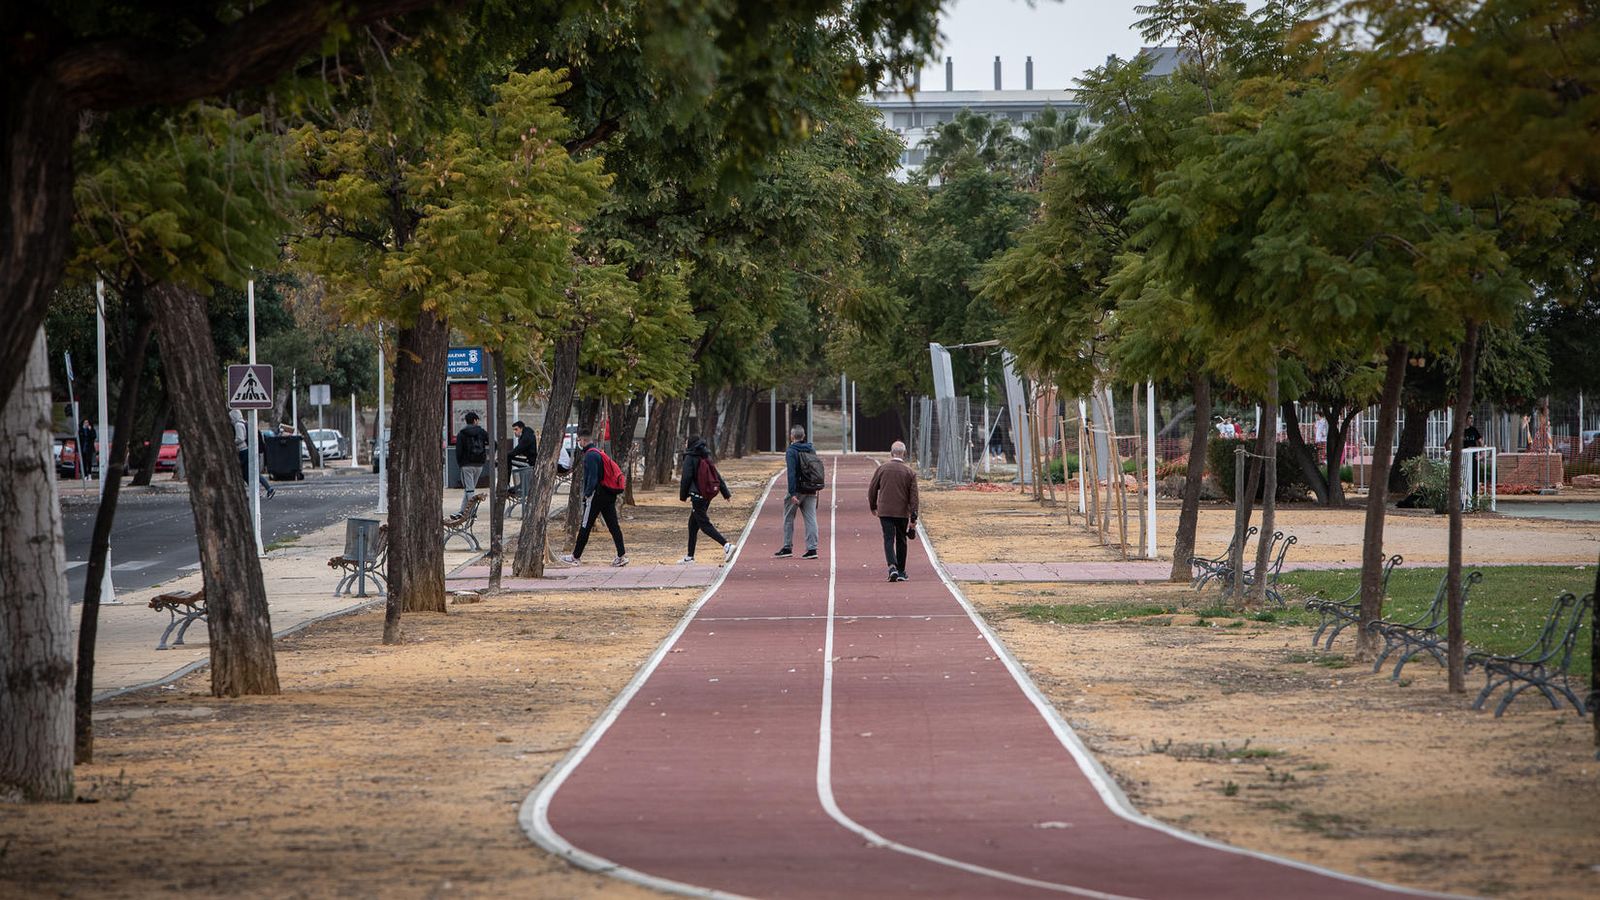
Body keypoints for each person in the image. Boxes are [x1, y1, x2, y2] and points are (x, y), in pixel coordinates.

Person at [559, 428, 627, 567]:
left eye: (579, 440)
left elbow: (593, 478)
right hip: (608, 494)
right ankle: (622, 555)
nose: (578, 442)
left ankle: (575, 557)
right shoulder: (598, 453)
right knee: (613, 525)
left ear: (583, 441)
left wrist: (587, 494)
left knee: (585, 525)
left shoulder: (590, 456)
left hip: (596, 496)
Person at [868, 441, 920, 582]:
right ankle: (901, 571)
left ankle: (892, 566)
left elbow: (872, 488)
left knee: (888, 538)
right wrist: (913, 517)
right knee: (901, 539)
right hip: (902, 511)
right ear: (904, 453)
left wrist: (873, 506)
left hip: (885, 510)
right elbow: (914, 497)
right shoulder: (910, 472)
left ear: (891, 453)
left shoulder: (882, 469)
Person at [678, 435, 734, 565]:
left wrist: (682, 496)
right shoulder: (705, 455)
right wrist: (725, 493)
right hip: (706, 496)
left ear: (690, 444)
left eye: (687, 442)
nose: (685, 444)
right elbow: (716, 475)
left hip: (697, 496)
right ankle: (690, 557)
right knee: (693, 524)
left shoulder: (690, 457)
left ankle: (727, 546)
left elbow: (686, 478)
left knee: (704, 525)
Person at [775, 424, 821, 559]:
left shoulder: (791, 451)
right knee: (811, 519)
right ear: (804, 436)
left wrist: (792, 492)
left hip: (797, 490)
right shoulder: (811, 449)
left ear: (792, 436)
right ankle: (812, 549)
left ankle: (787, 546)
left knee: (788, 518)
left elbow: (791, 473)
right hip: (811, 488)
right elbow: (815, 469)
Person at [230, 409, 274, 499]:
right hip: (247, 450)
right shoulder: (245, 423)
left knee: (244, 472)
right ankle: (260, 491)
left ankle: (264, 490)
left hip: (242, 451)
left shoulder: (238, 425)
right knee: (248, 473)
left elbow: (240, 438)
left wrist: (232, 442)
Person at [454, 411, 490, 514]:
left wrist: (460, 463)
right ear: (475, 420)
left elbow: (459, 451)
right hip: (479, 464)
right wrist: (487, 456)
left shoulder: (462, 434)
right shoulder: (482, 432)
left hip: (466, 464)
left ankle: (472, 512)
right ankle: (463, 511)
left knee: (469, 489)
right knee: (470, 488)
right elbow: (493, 443)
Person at [506, 420, 537, 496]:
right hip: (529, 460)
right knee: (508, 457)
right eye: (514, 430)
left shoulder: (526, 437)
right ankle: (510, 484)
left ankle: (506, 483)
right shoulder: (526, 435)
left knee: (508, 458)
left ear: (521, 428)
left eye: (516, 429)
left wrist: (504, 456)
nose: (515, 432)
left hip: (530, 463)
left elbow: (517, 450)